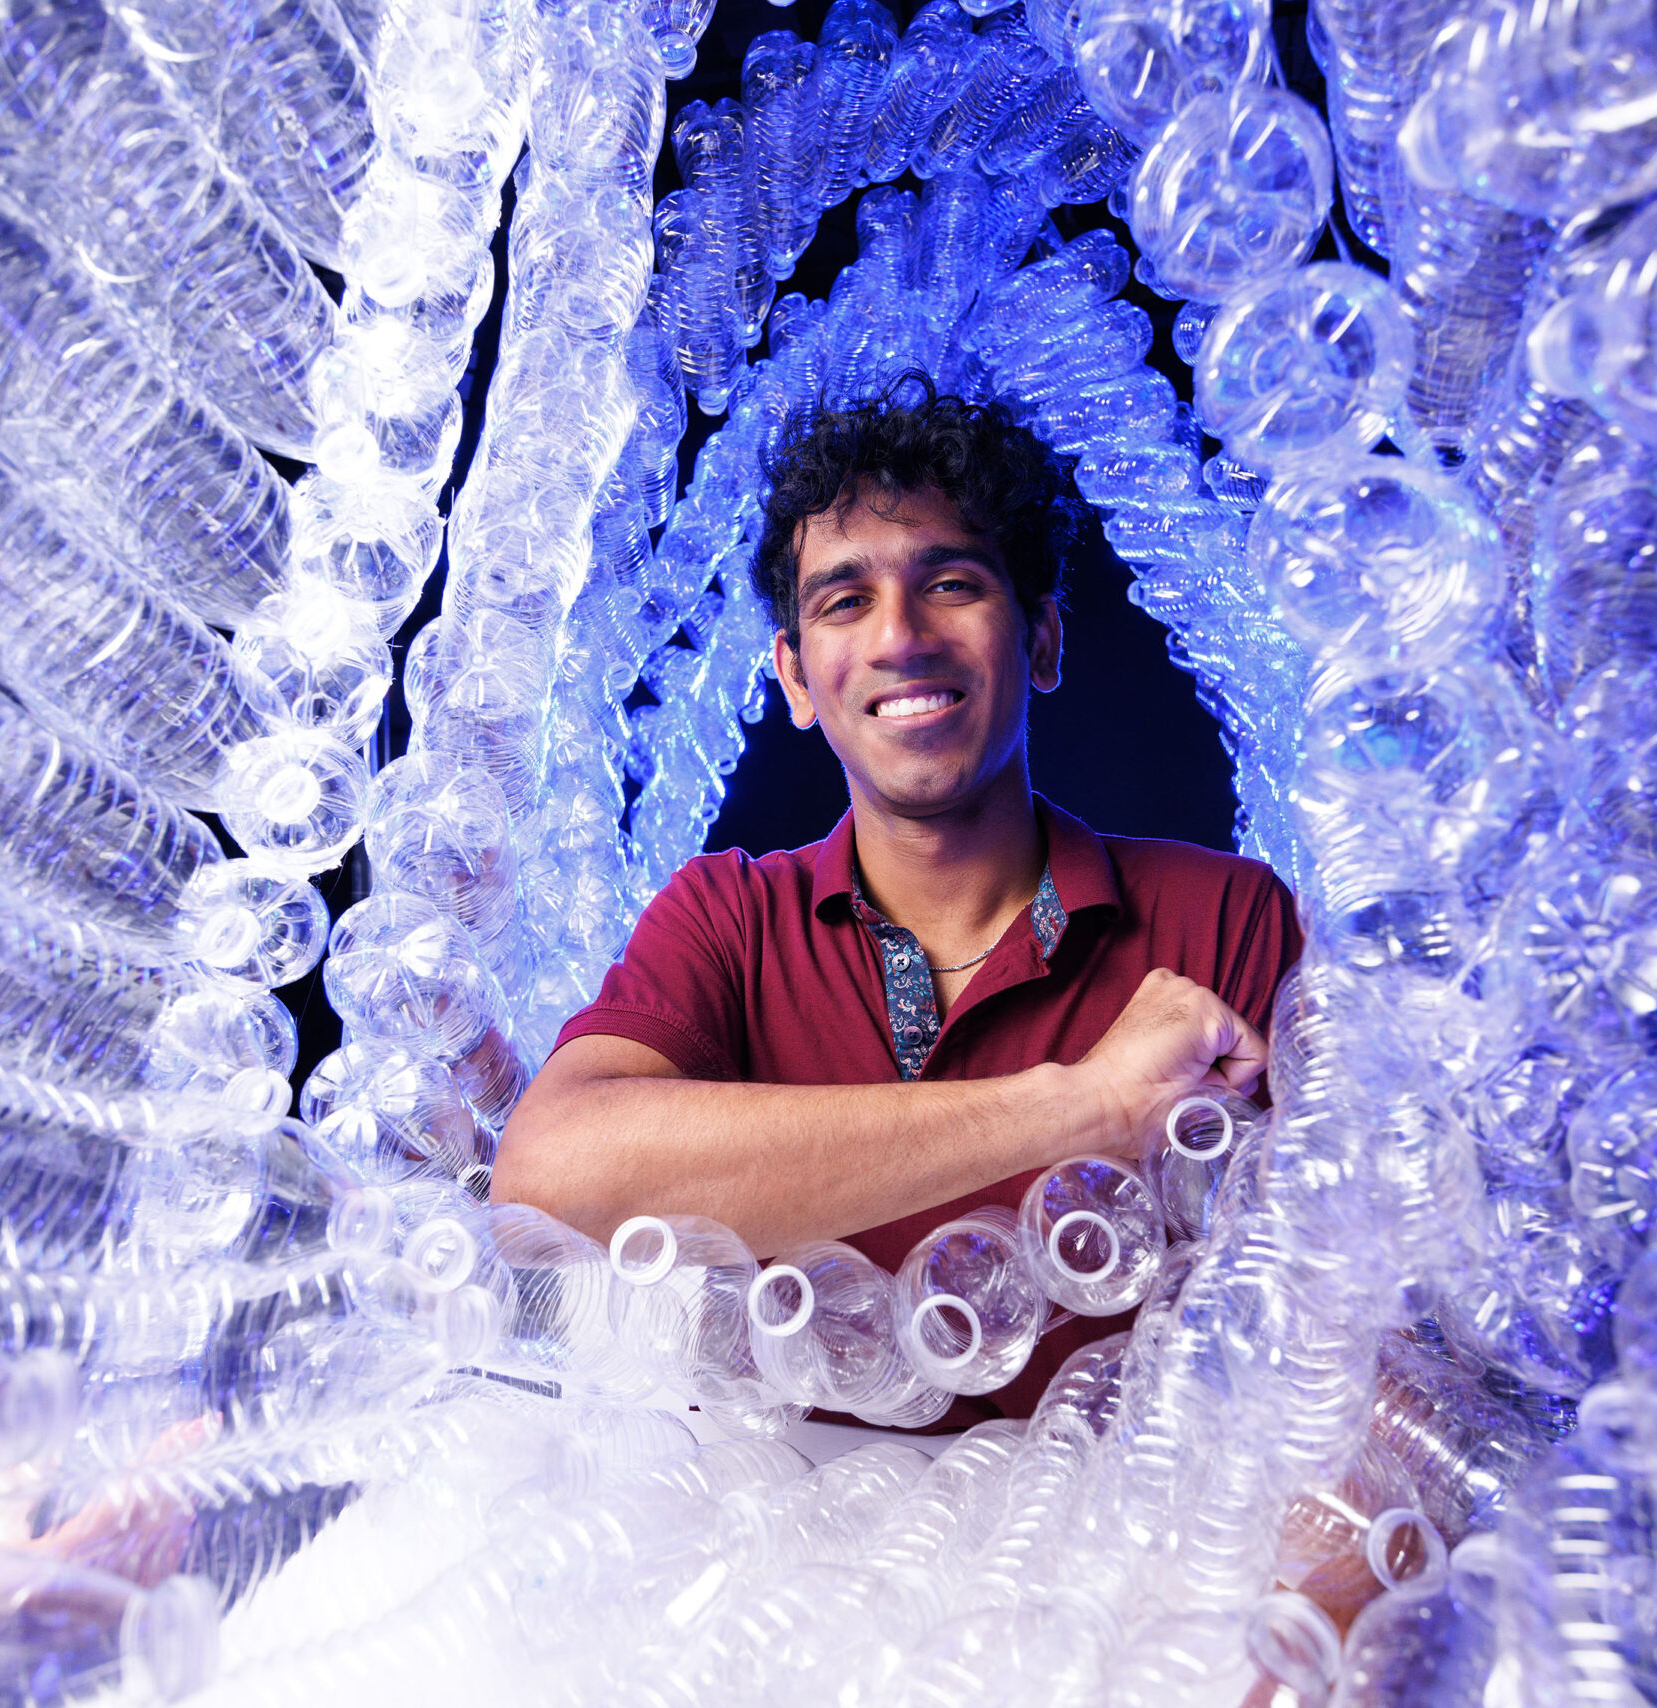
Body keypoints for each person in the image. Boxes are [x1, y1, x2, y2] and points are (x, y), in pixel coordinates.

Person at [493, 377, 1303, 1421]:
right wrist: (1085, 1104)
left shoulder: (1226, 919)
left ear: (1043, 639)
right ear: (792, 676)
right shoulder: (727, 919)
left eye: (951, 583)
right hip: (783, 1554)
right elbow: (550, 1176)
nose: (898, 638)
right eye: (843, 599)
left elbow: (1341, 1297)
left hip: (1120, 1547)